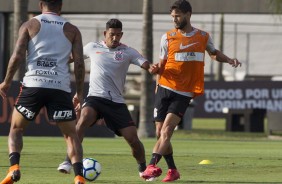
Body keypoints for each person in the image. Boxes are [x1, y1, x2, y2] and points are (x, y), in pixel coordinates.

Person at [141, 0, 242, 182]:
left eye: (177, 16)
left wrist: (228, 60)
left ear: (188, 14)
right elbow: (161, 64)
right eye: (172, 17)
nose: (175, 19)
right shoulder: (167, 37)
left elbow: (213, 53)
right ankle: (173, 170)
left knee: (167, 131)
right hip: (164, 87)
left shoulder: (202, 36)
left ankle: (151, 165)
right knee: (159, 133)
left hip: (184, 92)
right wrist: (155, 71)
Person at [56, 18, 158, 178]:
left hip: (116, 102)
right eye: (112, 34)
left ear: (122, 34)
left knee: (133, 139)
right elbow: (72, 57)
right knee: (83, 120)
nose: (115, 38)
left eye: (118, 35)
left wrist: (152, 67)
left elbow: (145, 63)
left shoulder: (128, 52)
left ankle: (143, 169)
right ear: (105, 33)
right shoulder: (92, 47)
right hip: (95, 98)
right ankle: (68, 161)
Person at [0, 0, 86, 183]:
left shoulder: (30, 24)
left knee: (16, 128)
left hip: (34, 85)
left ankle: (14, 167)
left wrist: (6, 82)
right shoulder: (72, 30)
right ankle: (79, 176)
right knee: (71, 135)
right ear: (61, 6)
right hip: (60, 88)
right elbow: (79, 63)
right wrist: (79, 92)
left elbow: (17, 56)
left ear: (41, 5)